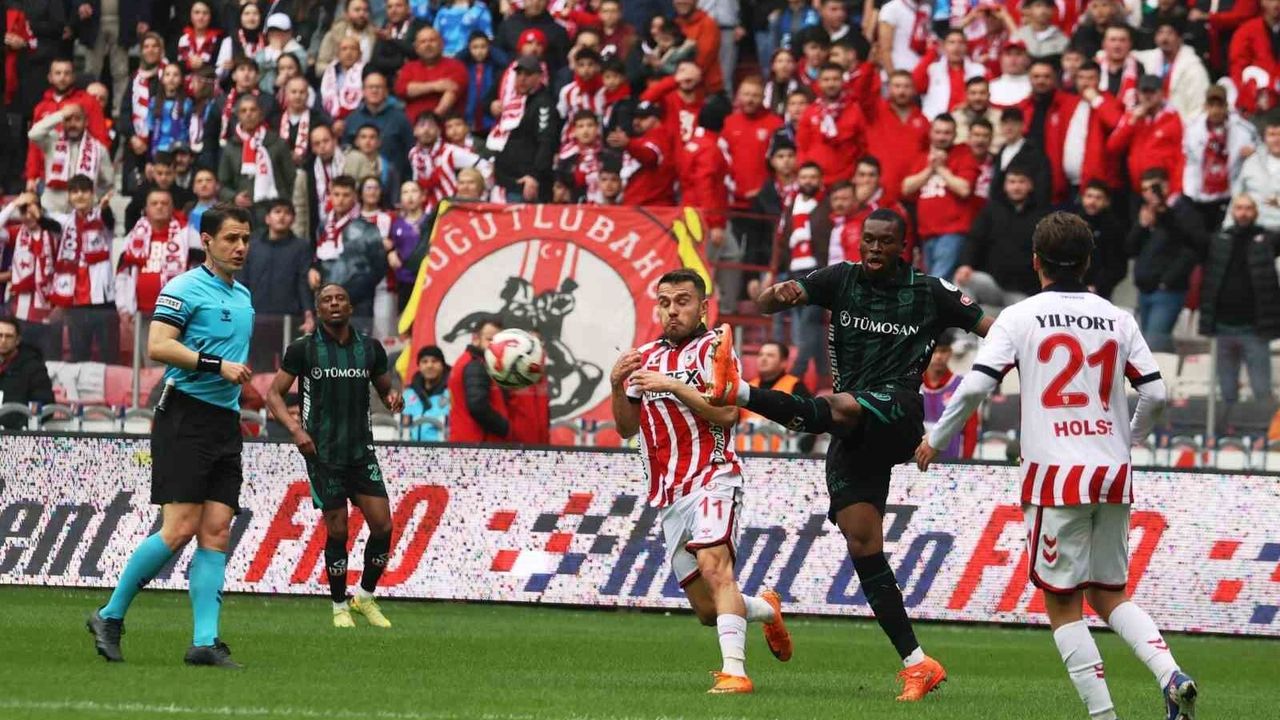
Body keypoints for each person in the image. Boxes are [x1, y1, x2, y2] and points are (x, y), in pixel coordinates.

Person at [916, 212, 1198, 720]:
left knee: (1064, 605)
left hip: (1055, 479)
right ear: (1088, 261)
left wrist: (936, 439)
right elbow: (1155, 393)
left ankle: (1104, 716)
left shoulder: (1019, 317)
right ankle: (1171, 675)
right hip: (1111, 475)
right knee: (1110, 595)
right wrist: (1127, 440)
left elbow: (976, 385)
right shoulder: (1118, 317)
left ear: (1035, 261)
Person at [707, 209, 993, 700]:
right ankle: (918, 664)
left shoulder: (930, 291)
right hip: (853, 433)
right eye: (868, 240)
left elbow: (994, 329)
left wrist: (1025, 356)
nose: (875, 249)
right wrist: (779, 294)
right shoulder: (840, 278)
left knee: (839, 405)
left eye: (885, 242)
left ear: (903, 246)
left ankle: (740, 392)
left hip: (896, 410)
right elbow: (765, 303)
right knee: (864, 546)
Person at [87, 203, 255, 669]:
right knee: (179, 527)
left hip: (225, 421)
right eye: (231, 239)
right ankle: (109, 615)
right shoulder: (183, 287)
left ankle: (204, 642)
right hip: (184, 416)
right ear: (207, 241)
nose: (240, 247)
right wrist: (216, 365)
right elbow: (157, 345)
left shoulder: (244, 295)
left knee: (216, 530)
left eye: (245, 239)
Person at [611, 269, 792, 695]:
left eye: (682, 301)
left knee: (715, 567)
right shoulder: (644, 357)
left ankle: (735, 673)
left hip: (713, 476)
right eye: (665, 303)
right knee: (708, 611)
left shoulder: (715, 348)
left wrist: (673, 386)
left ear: (702, 307)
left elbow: (727, 414)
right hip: (669, 493)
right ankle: (767, 610)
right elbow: (625, 427)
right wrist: (616, 385)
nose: (672, 311)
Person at [265, 283, 402, 629]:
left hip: (361, 452)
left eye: (340, 298)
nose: (334, 303)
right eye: (327, 300)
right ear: (319, 310)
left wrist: (392, 397)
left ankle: (364, 597)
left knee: (383, 526)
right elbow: (273, 395)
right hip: (323, 453)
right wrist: (296, 430)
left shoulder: (369, 348)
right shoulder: (303, 349)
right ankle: (339, 606)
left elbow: (385, 387)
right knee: (338, 530)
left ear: (351, 307)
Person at [1199, 194, 1280, 405]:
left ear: (1256, 212)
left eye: (1248, 208)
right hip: (1222, 327)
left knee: (1262, 390)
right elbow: (1190, 236)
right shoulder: (1219, 239)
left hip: (1254, 328)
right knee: (1226, 391)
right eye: (1239, 208)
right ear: (1232, 212)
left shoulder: (1267, 240)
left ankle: (1263, 426)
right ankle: (1229, 425)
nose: (1243, 213)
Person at [1126, 167, 1208, 353]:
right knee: (1143, 346)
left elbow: (1194, 246)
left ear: (1166, 186)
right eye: (1144, 190)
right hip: (1144, 288)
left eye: (1153, 188)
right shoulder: (1145, 211)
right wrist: (1141, 226)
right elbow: (1130, 248)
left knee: (1154, 345)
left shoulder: (1184, 210)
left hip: (1168, 290)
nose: (1149, 194)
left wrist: (1168, 281)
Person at [956, 165, 1049, 310]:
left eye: (1021, 182)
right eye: (1012, 182)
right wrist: (966, 264)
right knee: (963, 280)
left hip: (1023, 291)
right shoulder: (991, 210)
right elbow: (975, 239)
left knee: (1022, 315)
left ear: (1030, 185)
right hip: (992, 283)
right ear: (1005, 185)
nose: (1016, 187)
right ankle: (966, 326)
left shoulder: (1042, 215)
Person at [48, 174, 116, 363]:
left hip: (103, 301)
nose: (80, 195)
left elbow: (109, 220)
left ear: (92, 194)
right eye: (75, 192)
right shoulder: (64, 222)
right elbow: (43, 221)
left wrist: (106, 208)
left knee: (108, 355)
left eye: (84, 191)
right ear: (69, 196)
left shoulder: (101, 218)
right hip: (75, 302)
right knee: (79, 356)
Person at [239, 200, 314, 369]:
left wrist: (308, 314)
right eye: (277, 211)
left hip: (289, 318)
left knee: (289, 369)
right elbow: (242, 281)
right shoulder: (252, 246)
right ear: (267, 218)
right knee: (260, 370)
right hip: (257, 317)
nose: (282, 216)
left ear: (293, 219)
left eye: (287, 213)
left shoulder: (301, 247)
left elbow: (303, 282)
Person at [312, 176, 389, 332]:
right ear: (330, 195)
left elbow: (380, 267)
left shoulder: (367, 228)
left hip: (358, 306)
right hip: (327, 304)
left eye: (346, 195)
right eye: (336, 194)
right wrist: (313, 269)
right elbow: (317, 257)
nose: (340, 200)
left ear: (354, 196)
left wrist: (354, 291)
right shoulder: (323, 226)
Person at [1184, 86, 1257, 233]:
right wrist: (1190, 192)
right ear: (1205, 106)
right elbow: (1189, 163)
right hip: (1200, 198)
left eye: (1219, 105)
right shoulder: (1192, 130)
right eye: (1211, 105)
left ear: (1226, 106)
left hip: (1228, 197)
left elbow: (1259, 153)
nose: (1215, 110)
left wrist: (1253, 154)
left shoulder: (1244, 130)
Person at [489, 55, 558, 202]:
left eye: (528, 74)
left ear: (539, 77)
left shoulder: (543, 104)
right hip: (505, 182)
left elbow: (546, 143)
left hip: (525, 184)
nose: (522, 78)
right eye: (519, 74)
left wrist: (534, 176)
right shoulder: (512, 102)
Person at [217, 95, 293, 223]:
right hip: (242, 215)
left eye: (253, 110)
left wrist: (282, 202)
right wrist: (234, 198)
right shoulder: (231, 147)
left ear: (261, 114)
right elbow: (222, 185)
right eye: (244, 111)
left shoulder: (277, 143)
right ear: (238, 116)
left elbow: (290, 178)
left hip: (274, 214)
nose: (248, 114)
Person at [27, 102, 113, 215]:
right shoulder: (53, 140)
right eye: (68, 119)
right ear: (62, 122)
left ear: (86, 122)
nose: (72, 124)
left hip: (83, 214)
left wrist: (92, 200)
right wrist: (61, 114)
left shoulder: (99, 149)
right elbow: (33, 134)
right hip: (52, 210)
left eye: (77, 119)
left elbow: (107, 183)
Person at [1107, 74, 1185, 196]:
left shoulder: (1173, 119)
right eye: (1144, 92)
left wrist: (1176, 190)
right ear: (1138, 94)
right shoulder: (1132, 117)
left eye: (1152, 92)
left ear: (1161, 93)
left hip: (1163, 190)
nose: (1148, 96)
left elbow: (1181, 158)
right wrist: (1131, 122)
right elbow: (1112, 147)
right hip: (1137, 189)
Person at [737, 340, 813, 453]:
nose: (763, 359)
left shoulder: (796, 387)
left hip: (782, 459)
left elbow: (809, 425)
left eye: (770, 355)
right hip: (745, 457)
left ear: (784, 362)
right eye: (761, 355)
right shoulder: (746, 388)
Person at [447, 315, 509, 442]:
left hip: (467, 442)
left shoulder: (468, 361)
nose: (495, 345)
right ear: (475, 339)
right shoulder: (476, 365)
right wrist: (505, 428)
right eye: (490, 339)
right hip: (477, 444)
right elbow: (478, 406)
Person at [919, 330, 977, 460]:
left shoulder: (962, 386)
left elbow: (971, 430)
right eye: (934, 351)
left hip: (952, 464)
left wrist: (966, 463)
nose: (939, 356)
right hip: (916, 463)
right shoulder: (914, 385)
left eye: (943, 351)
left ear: (950, 352)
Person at [395, 27, 468, 122]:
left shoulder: (456, 66)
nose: (428, 45)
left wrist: (430, 121)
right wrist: (434, 86)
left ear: (442, 44)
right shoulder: (409, 67)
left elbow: (450, 95)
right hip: (412, 126)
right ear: (416, 48)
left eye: (432, 40)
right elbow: (403, 90)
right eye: (423, 42)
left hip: (444, 125)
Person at [0, 315, 54, 429]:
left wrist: (20, 426)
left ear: (17, 340)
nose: (3, 340)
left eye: (9, 336)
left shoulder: (34, 369)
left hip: (18, 434)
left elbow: (46, 406)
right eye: (0, 335)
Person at [1078, 181, 1129, 300]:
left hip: (1099, 293)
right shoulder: (1073, 223)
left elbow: (1118, 265)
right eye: (1089, 196)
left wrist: (1097, 286)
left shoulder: (1114, 228)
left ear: (1107, 202)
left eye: (1098, 198)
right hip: (1071, 289)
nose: (1092, 201)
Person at [1232, 118, 1280, 230]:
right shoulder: (1252, 162)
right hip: (1255, 229)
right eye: (1272, 135)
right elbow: (1237, 197)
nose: (1277, 139)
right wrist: (1228, 226)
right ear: (1264, 138)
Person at [402, 344, 450, 441]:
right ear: (419, 366)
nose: (429, 365)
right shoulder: (408, 394)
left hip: (443, 448)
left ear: (442, 365)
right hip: (410, 449)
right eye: (424, 361)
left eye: (434, 361)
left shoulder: (451, 393)